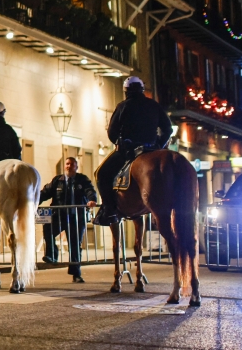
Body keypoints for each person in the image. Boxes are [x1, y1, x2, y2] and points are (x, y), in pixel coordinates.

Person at [93, 76, 173, 226]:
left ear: (126, 91)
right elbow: (168, 129)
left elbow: (112, 132)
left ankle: (109, 210)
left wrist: (122, 144)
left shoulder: (123, 106)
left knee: (101, 173)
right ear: (142, 90)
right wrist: (159, 145)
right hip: (151, 149)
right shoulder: (154, 105)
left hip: (129, 151)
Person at [41, 157, 97, 282]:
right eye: (67, 164)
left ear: (76, 167)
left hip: (76, 217)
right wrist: (33, 201)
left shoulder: (82, 179)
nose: (69, 166)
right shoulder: (57, 180)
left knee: (75, 245)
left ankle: (76, 274)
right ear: (64, 166)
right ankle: (52, 255)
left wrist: (92, 199)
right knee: (48, 229)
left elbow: (90, 191)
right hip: (59, 216)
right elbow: (45, 192)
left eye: (72, 164)